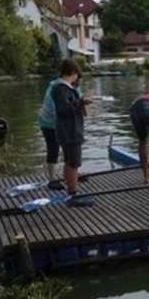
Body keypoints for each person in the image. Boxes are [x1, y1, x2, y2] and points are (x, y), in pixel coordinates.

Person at [38, 58, 93, 205]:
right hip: (70, 131)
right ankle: (73, 195)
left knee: (69, 161)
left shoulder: (62, 88)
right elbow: (63, 109)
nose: (77, 80)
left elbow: (68, 105)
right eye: (77, 76)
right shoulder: (62, 89)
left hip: (67, 131)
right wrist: (81, 102)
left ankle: (71, 192)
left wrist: (80, 101)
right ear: (73, 73)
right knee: (73, 163)